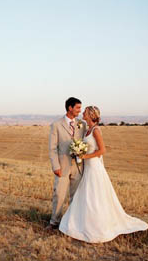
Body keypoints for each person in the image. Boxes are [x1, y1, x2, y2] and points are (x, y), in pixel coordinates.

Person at [58, 106, 148, 242]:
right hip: (87, 167)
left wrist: (84, 157)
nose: (83, 113)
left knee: (94, 197)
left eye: (85, 112)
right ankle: (81, 224)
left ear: (90, 115)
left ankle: (97, 227)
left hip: (94, 168)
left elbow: (102, 151)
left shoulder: (95, 130)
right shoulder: (87, 129)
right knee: (86, 196)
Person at [46, 97, 86, 230]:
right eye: (78, 108)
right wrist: (55, 166)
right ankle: (54, 222)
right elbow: (52, 148)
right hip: (62, 166)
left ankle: (72, 224)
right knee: (59, 194)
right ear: (70, 108)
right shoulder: (56, 125)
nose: (80, 111)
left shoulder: (82, 124)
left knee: (76, 196)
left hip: (78, 167)